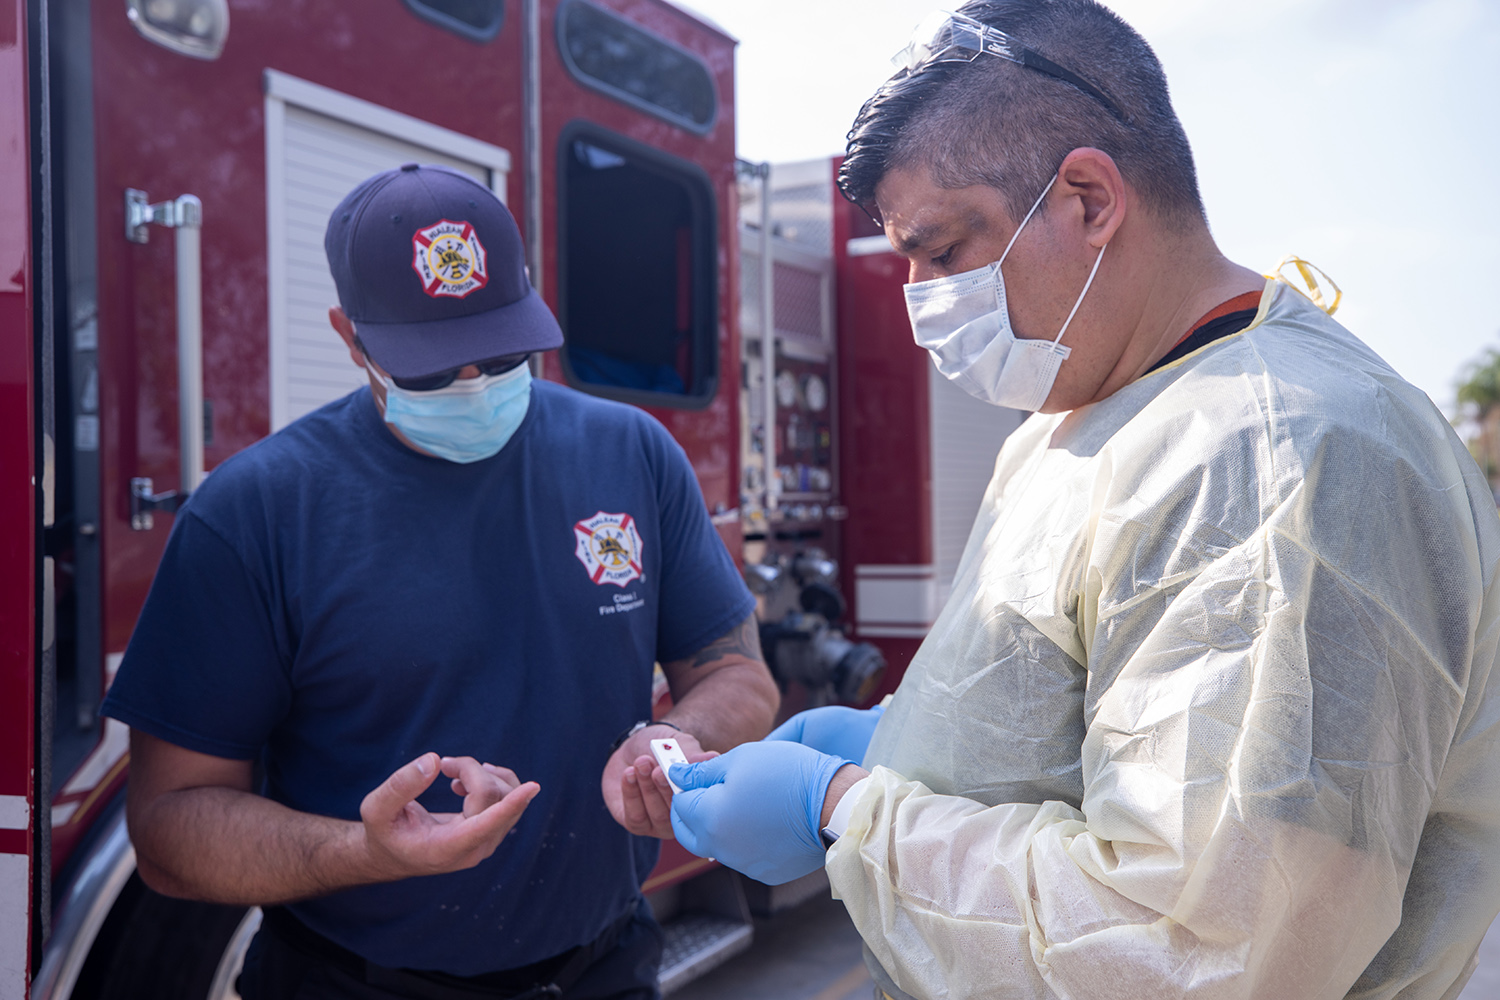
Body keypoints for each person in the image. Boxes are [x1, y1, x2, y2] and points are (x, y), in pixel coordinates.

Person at [661, 3, 1500, 998]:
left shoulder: (1279, 462)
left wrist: (847, 806)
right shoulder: (1081, 419)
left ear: (1090, 200)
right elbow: (1050, 707)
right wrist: (900, 745)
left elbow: (1201, 945)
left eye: (943, 251)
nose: (922, 303)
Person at [102, 162, 779, 1000]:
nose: (473, 387)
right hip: (354, 986)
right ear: (350, 338)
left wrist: (671, 741)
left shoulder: (630, 454)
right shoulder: (255, 513)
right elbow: (170, 828)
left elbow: (737, 674)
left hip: (605, 967)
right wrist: (364, 853)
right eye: (427, 369)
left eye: (501, 354)